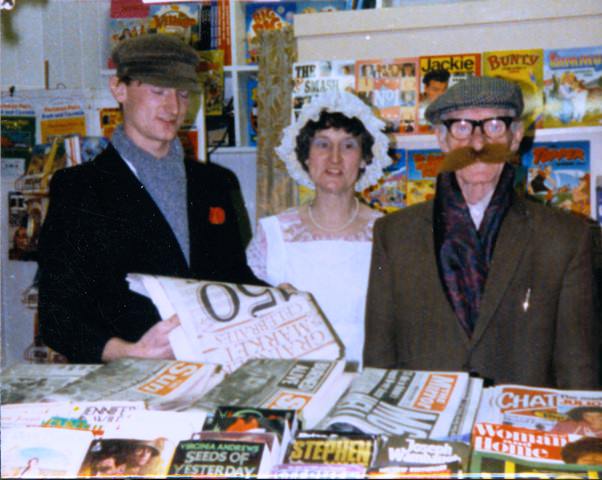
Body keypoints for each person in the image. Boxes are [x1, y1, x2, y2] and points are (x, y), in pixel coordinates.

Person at [38, 34, 261, 364]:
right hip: (122, 383)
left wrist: (273, 298)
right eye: (158, 91)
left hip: (212, 371)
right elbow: (57, 314)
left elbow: (233, 279)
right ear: (119, 89)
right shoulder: (80, 189)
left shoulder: (215, 184)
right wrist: (129, 352)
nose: (173, 107)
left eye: (183, 93)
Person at [364, 76, 598, 388]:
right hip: (421, 429)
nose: (477, 143)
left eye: (494, 126)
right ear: (442, 139)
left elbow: (578, 367)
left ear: (515, 137)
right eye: (461, 127)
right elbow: (379, 363)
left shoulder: (565, 237)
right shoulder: (393, 234)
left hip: (520, 430)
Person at [246, 90, 392, 369]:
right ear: (305, 157)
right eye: (322, 145)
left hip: (365, 385)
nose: (334, 159)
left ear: (364, 159)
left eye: (348, 146)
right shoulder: (273, 234)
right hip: (290, 387)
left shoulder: (386, 233)